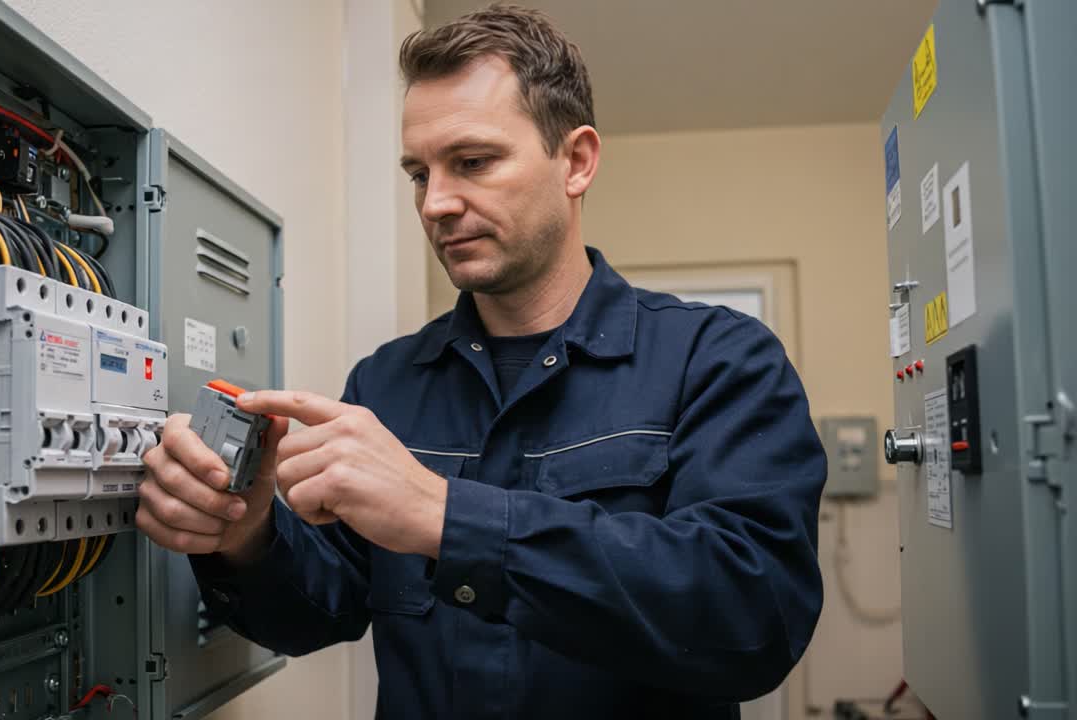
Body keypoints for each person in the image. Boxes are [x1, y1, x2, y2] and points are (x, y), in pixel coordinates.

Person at [137, 5, 826, 718]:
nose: (435, 203)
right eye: (417, 173)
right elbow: (320, 611)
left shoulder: (716, 361)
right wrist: (246, 535)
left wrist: (445, 516)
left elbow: (754, 619)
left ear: (577, 161)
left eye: (472, 162)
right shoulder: (387, 383)